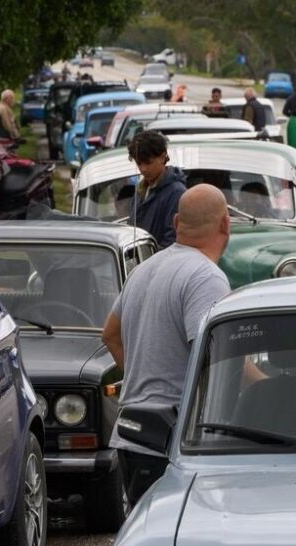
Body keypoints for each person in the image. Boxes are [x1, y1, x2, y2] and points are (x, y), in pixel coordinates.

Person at [102, 183, 232, 506]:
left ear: (176, 223)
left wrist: (144, 376)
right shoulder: (206, 277)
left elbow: (110, 335)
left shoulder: (144, 270)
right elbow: (217, 360)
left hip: (132, 434)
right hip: (172, 443)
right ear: (225, 224)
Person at [127, 131, 187, 249]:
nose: (143, 169)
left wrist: (147, 255)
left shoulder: (177, 193)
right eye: (139, 163)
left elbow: (172, 241)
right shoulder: (141, 190)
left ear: (163, 157)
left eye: (148, 162)